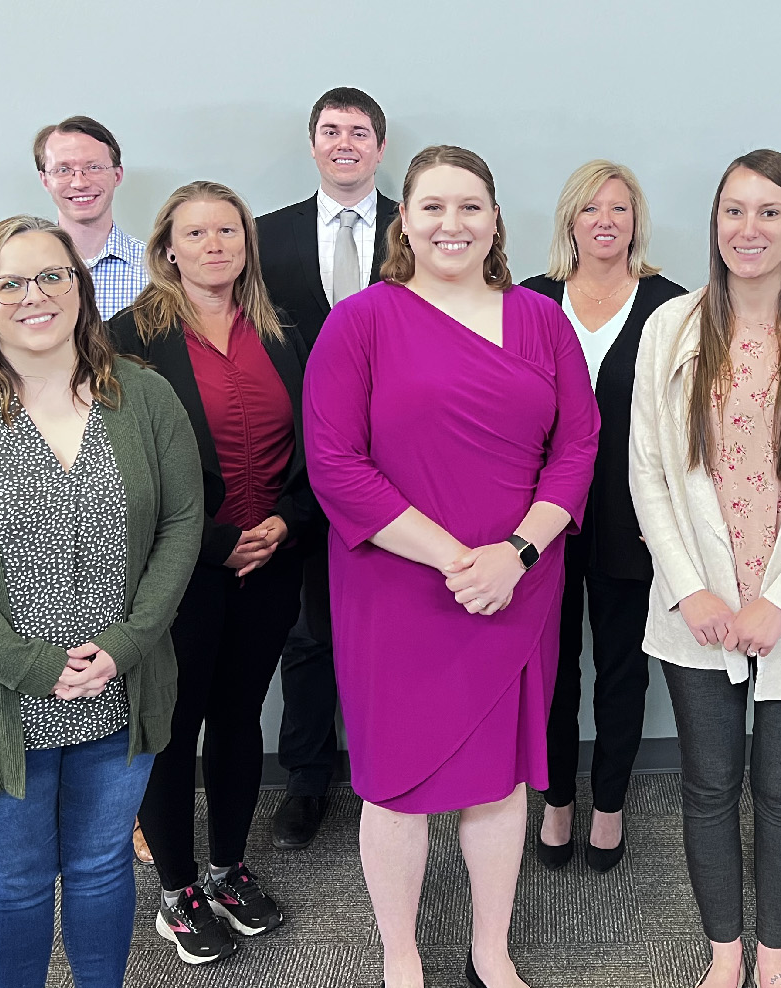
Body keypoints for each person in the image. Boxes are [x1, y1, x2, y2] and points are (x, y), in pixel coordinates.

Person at [0, 216, 202, 988]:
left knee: (98, 868)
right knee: (14, 881)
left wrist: (124, 646)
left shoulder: (144, 397)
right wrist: (24, 664)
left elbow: (183, 522)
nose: (35, 296)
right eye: (11, 282)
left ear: (81, 288)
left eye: (52, 276)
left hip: (115, 689)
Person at [303, 145, 598, 988]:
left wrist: (516, 554)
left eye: (470, 206)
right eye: (432, 207)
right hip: (396, 584)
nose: (451, 224)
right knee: (394, 786)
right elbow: (335, 464)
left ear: (496, 219)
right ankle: (401, 955)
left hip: (516, 585)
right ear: (405, 220)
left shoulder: (541, 320)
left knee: (499, 782)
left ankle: (489, 949)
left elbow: (576, 445)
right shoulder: (361, 320)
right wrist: (455, 559)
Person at [629, 149, 781, 988]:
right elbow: (649, 473)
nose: (749, 228)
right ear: (713, 224)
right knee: (706, 789)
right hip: (694, 606)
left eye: (769, 212)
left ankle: (772, 950)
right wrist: (689, 587)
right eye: (733, 211)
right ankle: (723, 950)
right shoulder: (671, 326)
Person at [110, 182, 319, 965]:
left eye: (227, 230)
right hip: (179, 570)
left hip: (269, 564)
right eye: (195, 233)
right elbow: (121, 473)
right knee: (172, 729)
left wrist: (285, 523)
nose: (213, 245)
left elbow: (317, 451)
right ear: (167, 247)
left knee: (237, 719)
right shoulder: (127, 338)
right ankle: (175, 891)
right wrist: (213, 540)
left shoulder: (283, 331)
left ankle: (228, 869)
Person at [518, 160, 685, 873]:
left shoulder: (672, 305)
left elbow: (686, 423)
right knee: (549, 667)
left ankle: (609, 803)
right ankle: (556, 798)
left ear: (635, 221)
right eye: (590, 209)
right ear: (570, 222)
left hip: (631, 517)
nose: (605, 221)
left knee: (621, 666)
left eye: (618, 209)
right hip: (539, 518)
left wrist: (672, 515)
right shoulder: (526, 300)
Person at [255, 86, 399, 850]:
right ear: (312, 143)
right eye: (331, 130)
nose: (345, 142)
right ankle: (307, 781)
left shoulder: (420, 227)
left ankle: (398, 771)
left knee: (396, 625)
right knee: (307, 633)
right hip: (299, 461)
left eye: (360, 131)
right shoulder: (264, 236)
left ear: (380, 146)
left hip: (401, 459)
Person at [34, 116, 148, 317]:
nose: (79, 183)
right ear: (45, 180)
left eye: (93, 167)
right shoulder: (21, 270)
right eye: (63, 170)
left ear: (117, 175)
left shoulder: (156, 271)